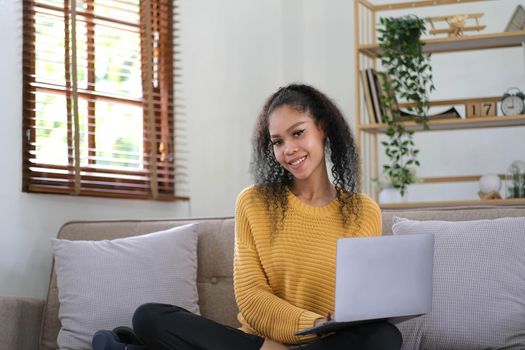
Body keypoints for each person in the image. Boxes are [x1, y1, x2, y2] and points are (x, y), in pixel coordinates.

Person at [130, 84, 402, 350]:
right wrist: (315, 323)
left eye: (298, 133)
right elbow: (251, 298)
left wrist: (330, 327)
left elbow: (360, 306)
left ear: (323, 129)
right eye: (278, 142)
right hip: (258, 344)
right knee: (150, 317)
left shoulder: (364, 211)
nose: (288, 149)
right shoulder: (253, 202)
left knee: (384, 335)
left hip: (328, 343)